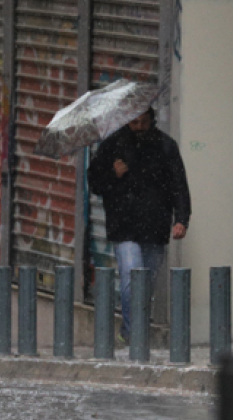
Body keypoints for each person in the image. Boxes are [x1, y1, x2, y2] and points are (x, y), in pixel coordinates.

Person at [88, 108, 191, 344]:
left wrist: (181, 219)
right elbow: (95, 182)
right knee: (132, 277)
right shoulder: (112, 145)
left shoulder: (165, 146)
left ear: (152, 121)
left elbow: (178, 184)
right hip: (124, 225)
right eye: (135, 122)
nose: (140, 126)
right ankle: (135, 335)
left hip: (155, 225)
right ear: (127, 121)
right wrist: (113, 174)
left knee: (147, 284)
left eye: (144, 122)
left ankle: (135, 329)